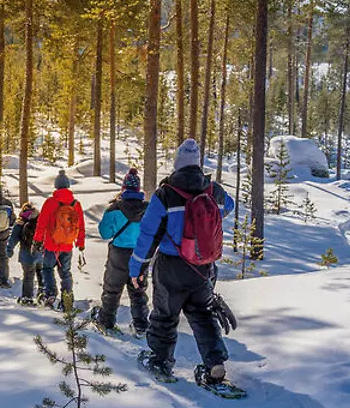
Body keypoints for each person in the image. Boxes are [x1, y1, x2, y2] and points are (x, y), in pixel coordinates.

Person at [129, 139, 235, 384]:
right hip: (203, 267)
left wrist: (137, 269)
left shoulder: (165, 194)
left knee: (165, 315)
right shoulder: (215, 191)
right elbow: (228, 206)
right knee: (202, 314)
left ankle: (160, 361)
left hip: (171, 266)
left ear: (177, 164)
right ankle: (215, 365)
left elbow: (148, 236)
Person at [95, 168, 150, 335]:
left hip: (118, 254)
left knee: (112, 289)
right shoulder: (148, 209)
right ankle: (140, 324)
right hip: (140, 254)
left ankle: (107, 322)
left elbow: (104, 233)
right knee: (138, 290)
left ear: (123, 187)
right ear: (138, 189)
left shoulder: (114, 209)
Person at [33, 169, 85, 309]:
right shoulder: (75, 204)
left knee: (47, 268)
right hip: (67, 245)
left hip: (51, 245)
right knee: (65, 273)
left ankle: (50, 293)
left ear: (55, 186)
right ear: (68, 185)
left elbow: (41, 223)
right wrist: (80, 243)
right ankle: (67, 298)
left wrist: (37, 240)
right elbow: (81, 225)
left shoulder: (50, 202)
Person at [7, 202, 42, 304]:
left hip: (26, 254)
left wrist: (9, 250)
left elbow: (13, 238)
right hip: (40, 253)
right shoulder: (40, 220)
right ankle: (43, 295)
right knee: (41, 273)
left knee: (28, 275)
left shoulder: (20, 222)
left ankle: (27, 297)